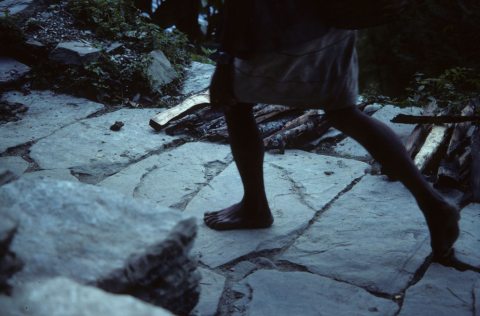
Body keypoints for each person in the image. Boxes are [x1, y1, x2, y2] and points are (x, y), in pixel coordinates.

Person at [203, 0, 461, 266]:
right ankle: (433, 205)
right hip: (336, 18)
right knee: (343, 111)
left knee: (234, 101)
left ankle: (254, 206)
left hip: (279, 24)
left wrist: (224, 60)